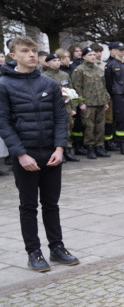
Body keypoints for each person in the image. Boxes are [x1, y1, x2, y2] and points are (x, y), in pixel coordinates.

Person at [0, 36, 79, 272]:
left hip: (51, 152)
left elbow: (59, 118)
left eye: (34, 51)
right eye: (25, 51)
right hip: (25, 154)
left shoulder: (49, 84)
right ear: (13, 56)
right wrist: (21, 154)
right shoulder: (4, 85)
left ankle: (57, 247)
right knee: (28, 205)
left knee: (51, 203)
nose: (32, 55)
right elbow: (3, 123)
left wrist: (60, 147)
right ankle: (33, 251)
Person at [71, 46, 111, 159]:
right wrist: (81, 102)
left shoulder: (98, 69)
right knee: (89, 127)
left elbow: (103, 86)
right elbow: (77, 87)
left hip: (100, 102)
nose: (93, 57)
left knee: (100, 126)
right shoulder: (79, 70)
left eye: (94, 55)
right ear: (84, 57)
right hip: (88, 103)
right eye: (90, 55)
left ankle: (99, 146)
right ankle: (90, 148)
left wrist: (105, 100)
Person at [41, 54, 77, 162]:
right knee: (56, 129)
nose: (57, 63)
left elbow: (72, 91)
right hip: (52, 107)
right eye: (54, 61)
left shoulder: (64, 75)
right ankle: (58, 151)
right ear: (48, 63)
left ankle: (68, 151)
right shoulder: (43, 76)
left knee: (68, 128)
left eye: (58, 60)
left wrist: (73, 107)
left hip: (66, 106)